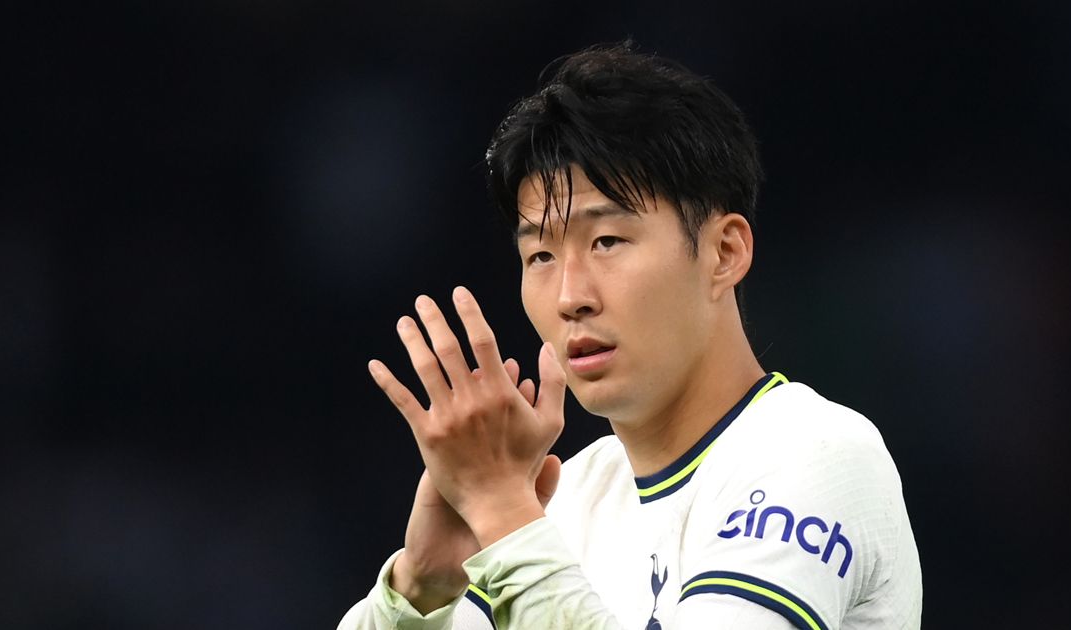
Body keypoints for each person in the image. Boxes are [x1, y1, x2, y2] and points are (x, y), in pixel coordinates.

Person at [339, 42, 921, 630]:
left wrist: (500, 510)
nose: (570, 297)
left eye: (607, 242)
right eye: (540, 254)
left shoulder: (816, 453)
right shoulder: (562, 505)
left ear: (725, 252)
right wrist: (420, 587)